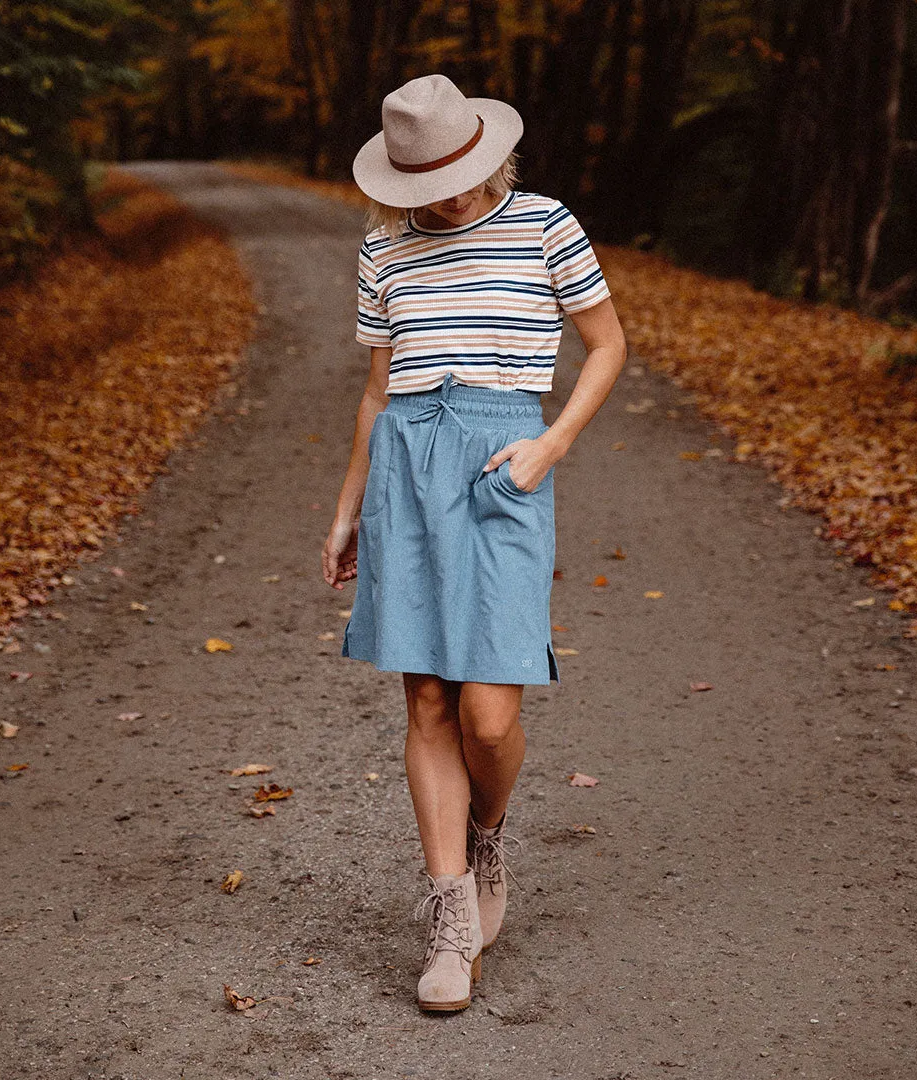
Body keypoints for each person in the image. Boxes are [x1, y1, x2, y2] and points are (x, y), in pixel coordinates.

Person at [321, 73, 626, 1013]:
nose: (440, 199)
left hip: (504, 462)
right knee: (426, 702)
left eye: (452, 177)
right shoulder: (385, 251)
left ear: (488, 153)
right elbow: (379, 390)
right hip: (406, 471)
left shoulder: (544, 225)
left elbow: (608, 344)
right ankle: (449, 916)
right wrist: (347, 508)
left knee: (489, 714)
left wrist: (551, 442)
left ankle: (487, 833)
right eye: (420, 185)